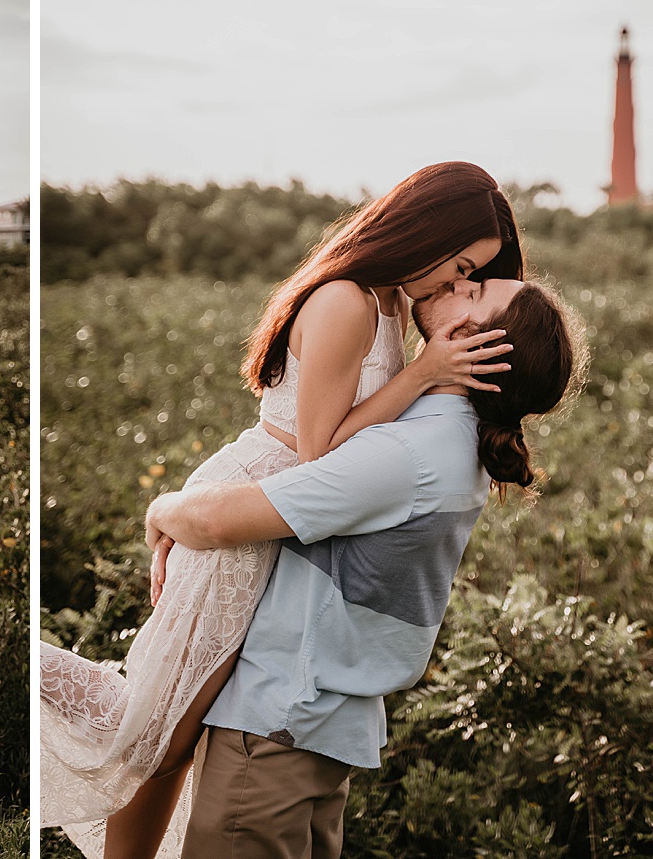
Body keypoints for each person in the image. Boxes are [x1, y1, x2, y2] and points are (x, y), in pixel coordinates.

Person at [41, 162, 524, 858]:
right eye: (459, 267)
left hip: (282, 518)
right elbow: (319, 452)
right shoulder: (346, 301)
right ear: (428, 232)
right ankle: (29, 671)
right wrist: (423, 374)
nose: (454, 285)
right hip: (254, 504)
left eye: (469, 277)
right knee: (161, 730)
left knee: (175, 730)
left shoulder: (392, 302)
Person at [142, 276, 579, 858]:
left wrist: (162, 508)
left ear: (478, 348)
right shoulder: (449, 440)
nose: (460, 281)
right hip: (319, 732)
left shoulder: (410, 454)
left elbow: (221, 521)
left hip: (279, 726)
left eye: (474, 293)